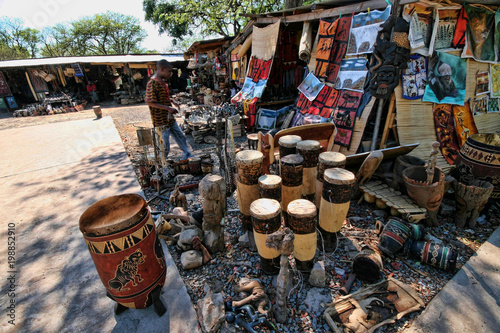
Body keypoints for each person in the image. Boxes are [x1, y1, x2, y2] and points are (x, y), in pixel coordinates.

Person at [145, 60, 194, 160]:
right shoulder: (152, 82)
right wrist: (168, 108)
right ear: (162, 69)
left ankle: (188, 154)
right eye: (169, 71)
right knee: (165, 145)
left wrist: (172, 102)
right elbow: (149, 101)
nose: (170, 74)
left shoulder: (162, 82)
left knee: (181, 136)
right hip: (161, 120)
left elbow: (163, 96)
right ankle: (161, 164)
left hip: (169, 119)